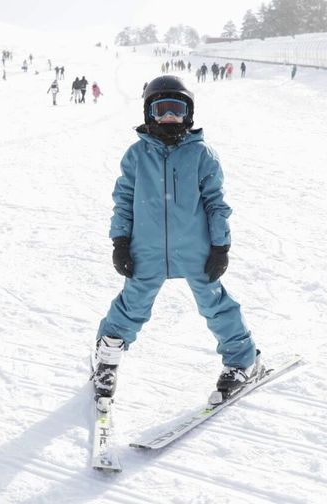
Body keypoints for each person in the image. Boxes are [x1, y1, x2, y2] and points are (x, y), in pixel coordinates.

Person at [91, 75, 259, 403]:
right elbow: (124, 199)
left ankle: (242, 360)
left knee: (214, 303)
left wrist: (220, 246)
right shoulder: (137, 155)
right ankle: (107, 359)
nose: (169, 117)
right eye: (161, 109)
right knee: (132, 304)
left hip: (194, 248)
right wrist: (120, 241)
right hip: (146, 248)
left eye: (177, 110)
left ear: (189, 113)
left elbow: (215, 203)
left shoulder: (202, 155)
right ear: (148, 113)